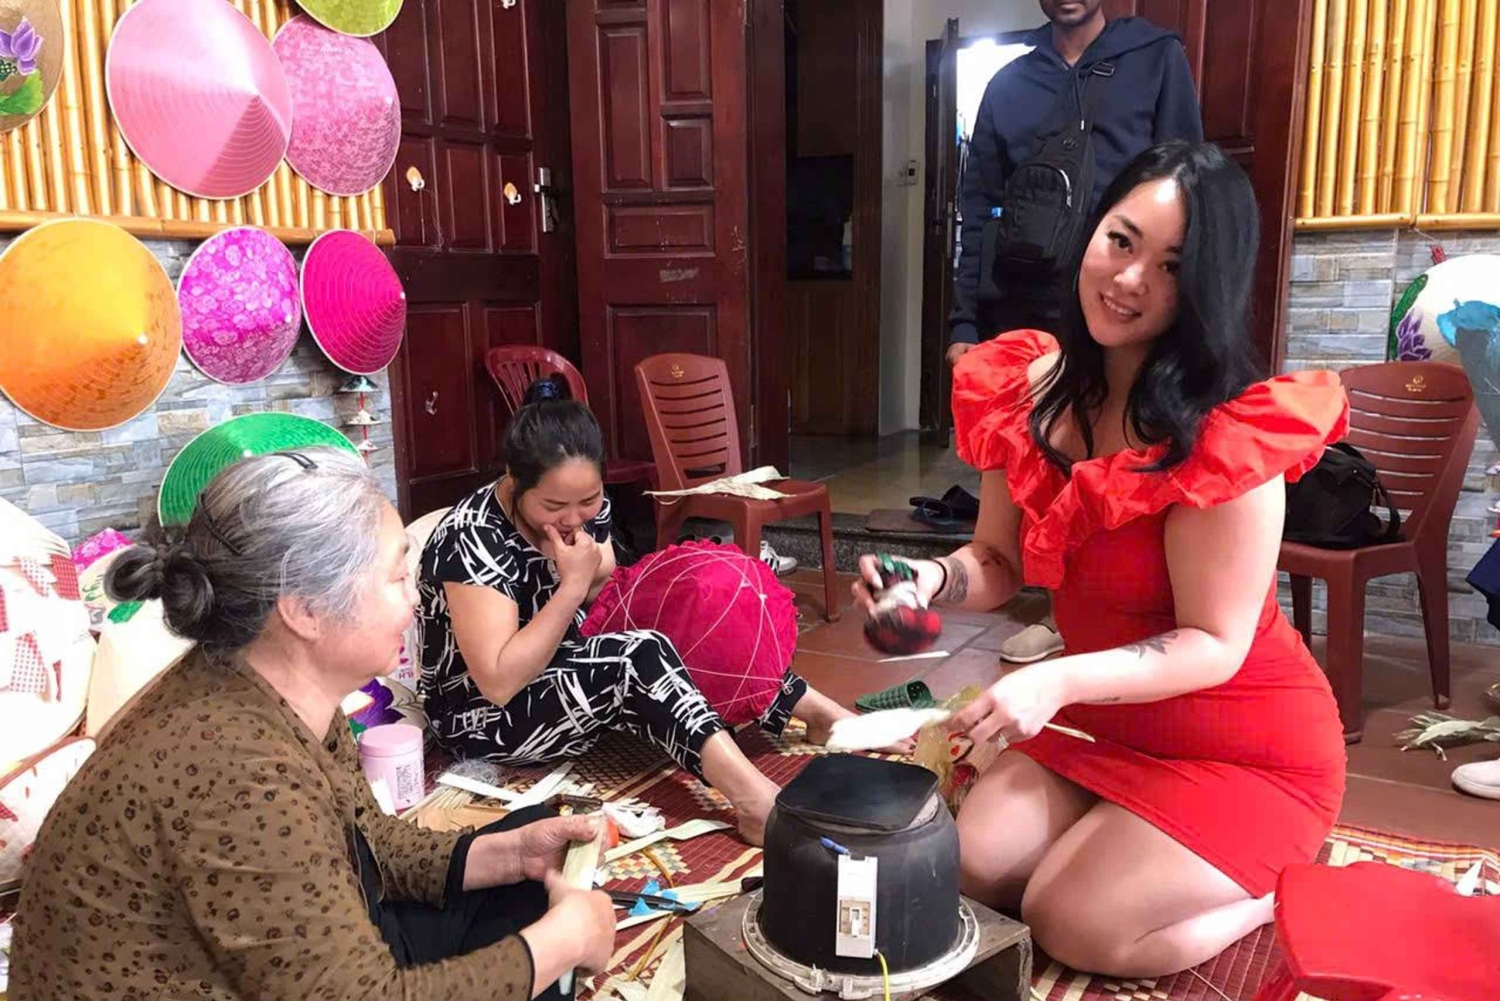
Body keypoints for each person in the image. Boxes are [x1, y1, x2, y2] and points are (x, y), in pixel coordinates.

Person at [856, 141, 1348, 977]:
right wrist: (929, 579)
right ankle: (1131, 845)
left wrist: (1056, 679)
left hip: (1245, 750)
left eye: (1172, 267)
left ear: (1208, 286)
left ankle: (1277, 889)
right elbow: (997, 558)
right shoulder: (1029, 387)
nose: (1129, 279)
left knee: (1072, 919)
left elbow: (1215, 642)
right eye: (1121, 241)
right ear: (1092, 230)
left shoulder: (1224, 435)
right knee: (968, 863)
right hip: (1112, 726)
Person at [10, 448, 616, 1000]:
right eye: (396, 578)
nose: (413, 600)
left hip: (291, 964)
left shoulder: (278, 685)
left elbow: (367, 844)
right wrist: (558, 945)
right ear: (304, 610)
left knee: (536, 862)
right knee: (545, 951)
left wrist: (509, 854)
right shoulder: (238, 774)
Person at [417, 378, 858, 846]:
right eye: (554, 506)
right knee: (640, 656)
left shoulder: (579, 504)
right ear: (513, 479)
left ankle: (815, 712)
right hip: (483, 717)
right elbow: (499, 680)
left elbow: (605, 575)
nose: (573, 518)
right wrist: (571, 586)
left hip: (561, 654)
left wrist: (597, 580)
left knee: (691, 615)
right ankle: (753, 801)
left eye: (588, 501)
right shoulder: (472, 539)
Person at [949, 0, 1205, 665]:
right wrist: (964, 321)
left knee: (1124, 453)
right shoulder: (1010, 82)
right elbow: (975, 207)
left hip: (1128, 302)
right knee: (1043, 459)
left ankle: (1123, 611)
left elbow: (1190, 185)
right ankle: (1060, 606)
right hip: (1031, 303)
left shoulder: (1155, 58)